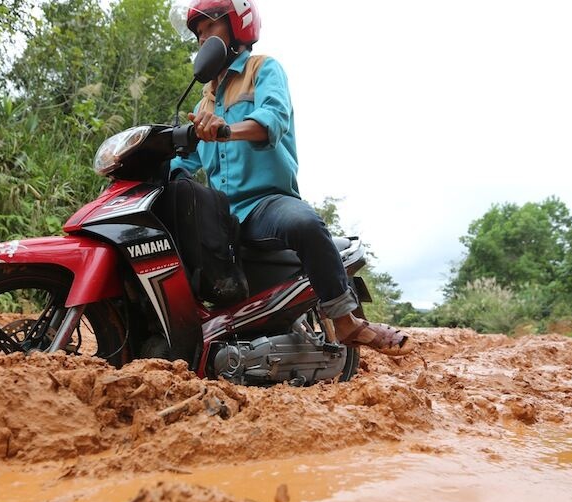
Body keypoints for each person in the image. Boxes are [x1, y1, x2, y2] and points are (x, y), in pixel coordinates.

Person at [168, 0, 407, 354]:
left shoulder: (262, 70)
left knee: (304, 223)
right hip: (222, 217)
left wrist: (226, 130)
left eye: (209, 29)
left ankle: (346, 322)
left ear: (237, 27)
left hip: (265, 204)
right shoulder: (203, 104)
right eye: (198, 35)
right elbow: (183, 163)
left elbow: (273, 118)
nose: (203, 41)